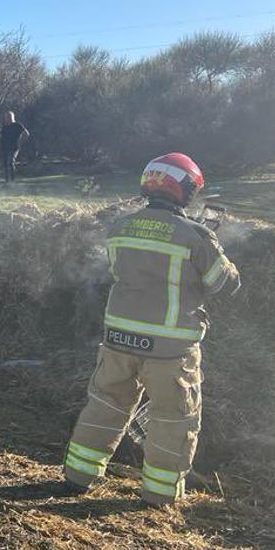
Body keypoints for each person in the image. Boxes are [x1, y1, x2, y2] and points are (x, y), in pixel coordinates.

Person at [63, 152, 240, 506]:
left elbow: (128, 271)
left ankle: (78, 476)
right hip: (170, 347)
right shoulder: (196, 235)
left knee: (105, 405)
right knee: (173, 418)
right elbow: (224, 284)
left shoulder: (120, 228)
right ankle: (159, 498)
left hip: (117, 338)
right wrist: (214, 247)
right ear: (185, 190)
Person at [0, 111, 29, 183]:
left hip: (14, 148)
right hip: (5, 148)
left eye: (9, 117)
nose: (7, 118)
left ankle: (12, 181)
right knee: (5, 164)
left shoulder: (17, 125)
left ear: (13, 117)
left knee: (10, 162)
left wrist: (20, 142)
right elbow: (2, 137)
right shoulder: (4, 127)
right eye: (6, 117)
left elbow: (26, 133)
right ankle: (7, 182)